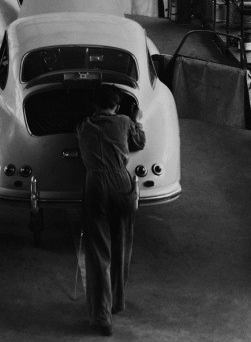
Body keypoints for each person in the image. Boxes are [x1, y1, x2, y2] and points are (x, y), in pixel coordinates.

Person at [76, 85, 146, 337]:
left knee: (98, 255)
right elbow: (140, 142)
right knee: (121, 247)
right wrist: (136, 120)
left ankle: (101, 317)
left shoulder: (83, 126)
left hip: (95, 185)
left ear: (94, 106)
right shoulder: (126, 121)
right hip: (122, 184)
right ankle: (117, 302)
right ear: (117, 106)